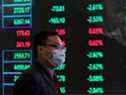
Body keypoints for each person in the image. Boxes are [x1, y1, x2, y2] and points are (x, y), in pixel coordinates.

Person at [13, 31, 66, 95]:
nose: (61, 51)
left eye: (61, 47)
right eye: (56, 46)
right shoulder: (30, 78)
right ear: (40, 49)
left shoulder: (52, 76)